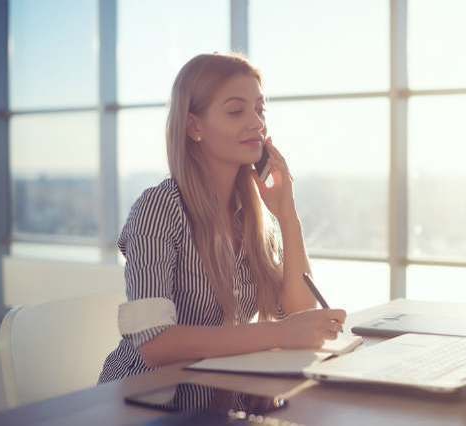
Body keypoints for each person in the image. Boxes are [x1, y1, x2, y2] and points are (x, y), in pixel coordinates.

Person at [98, 52, 346, 383]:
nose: (256, 123)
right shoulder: (159, 208)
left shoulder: (251, 214)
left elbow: (300, 316)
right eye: (235, 111)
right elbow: (154, 343)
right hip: (148, 400)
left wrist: (287, 216)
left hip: (219, 396)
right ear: (194, 125)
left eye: (260, 109)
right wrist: (277, 334)